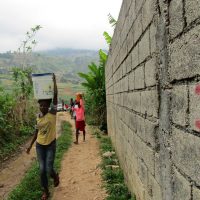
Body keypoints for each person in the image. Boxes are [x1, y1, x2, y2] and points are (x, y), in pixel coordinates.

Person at [26, 73, 59, 200]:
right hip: (40, 146)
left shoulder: (52, 113)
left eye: (45, 105)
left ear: (48, 105)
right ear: (39, 106)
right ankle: (45, 191)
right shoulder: (38, 117)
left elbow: (55, 96)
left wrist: (54, 82)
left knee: (49, 168)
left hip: (51, 144)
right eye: (41, 105)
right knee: (41, 170)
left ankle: (55, 175)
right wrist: (29, 146)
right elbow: (36, 133)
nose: (43, 107)